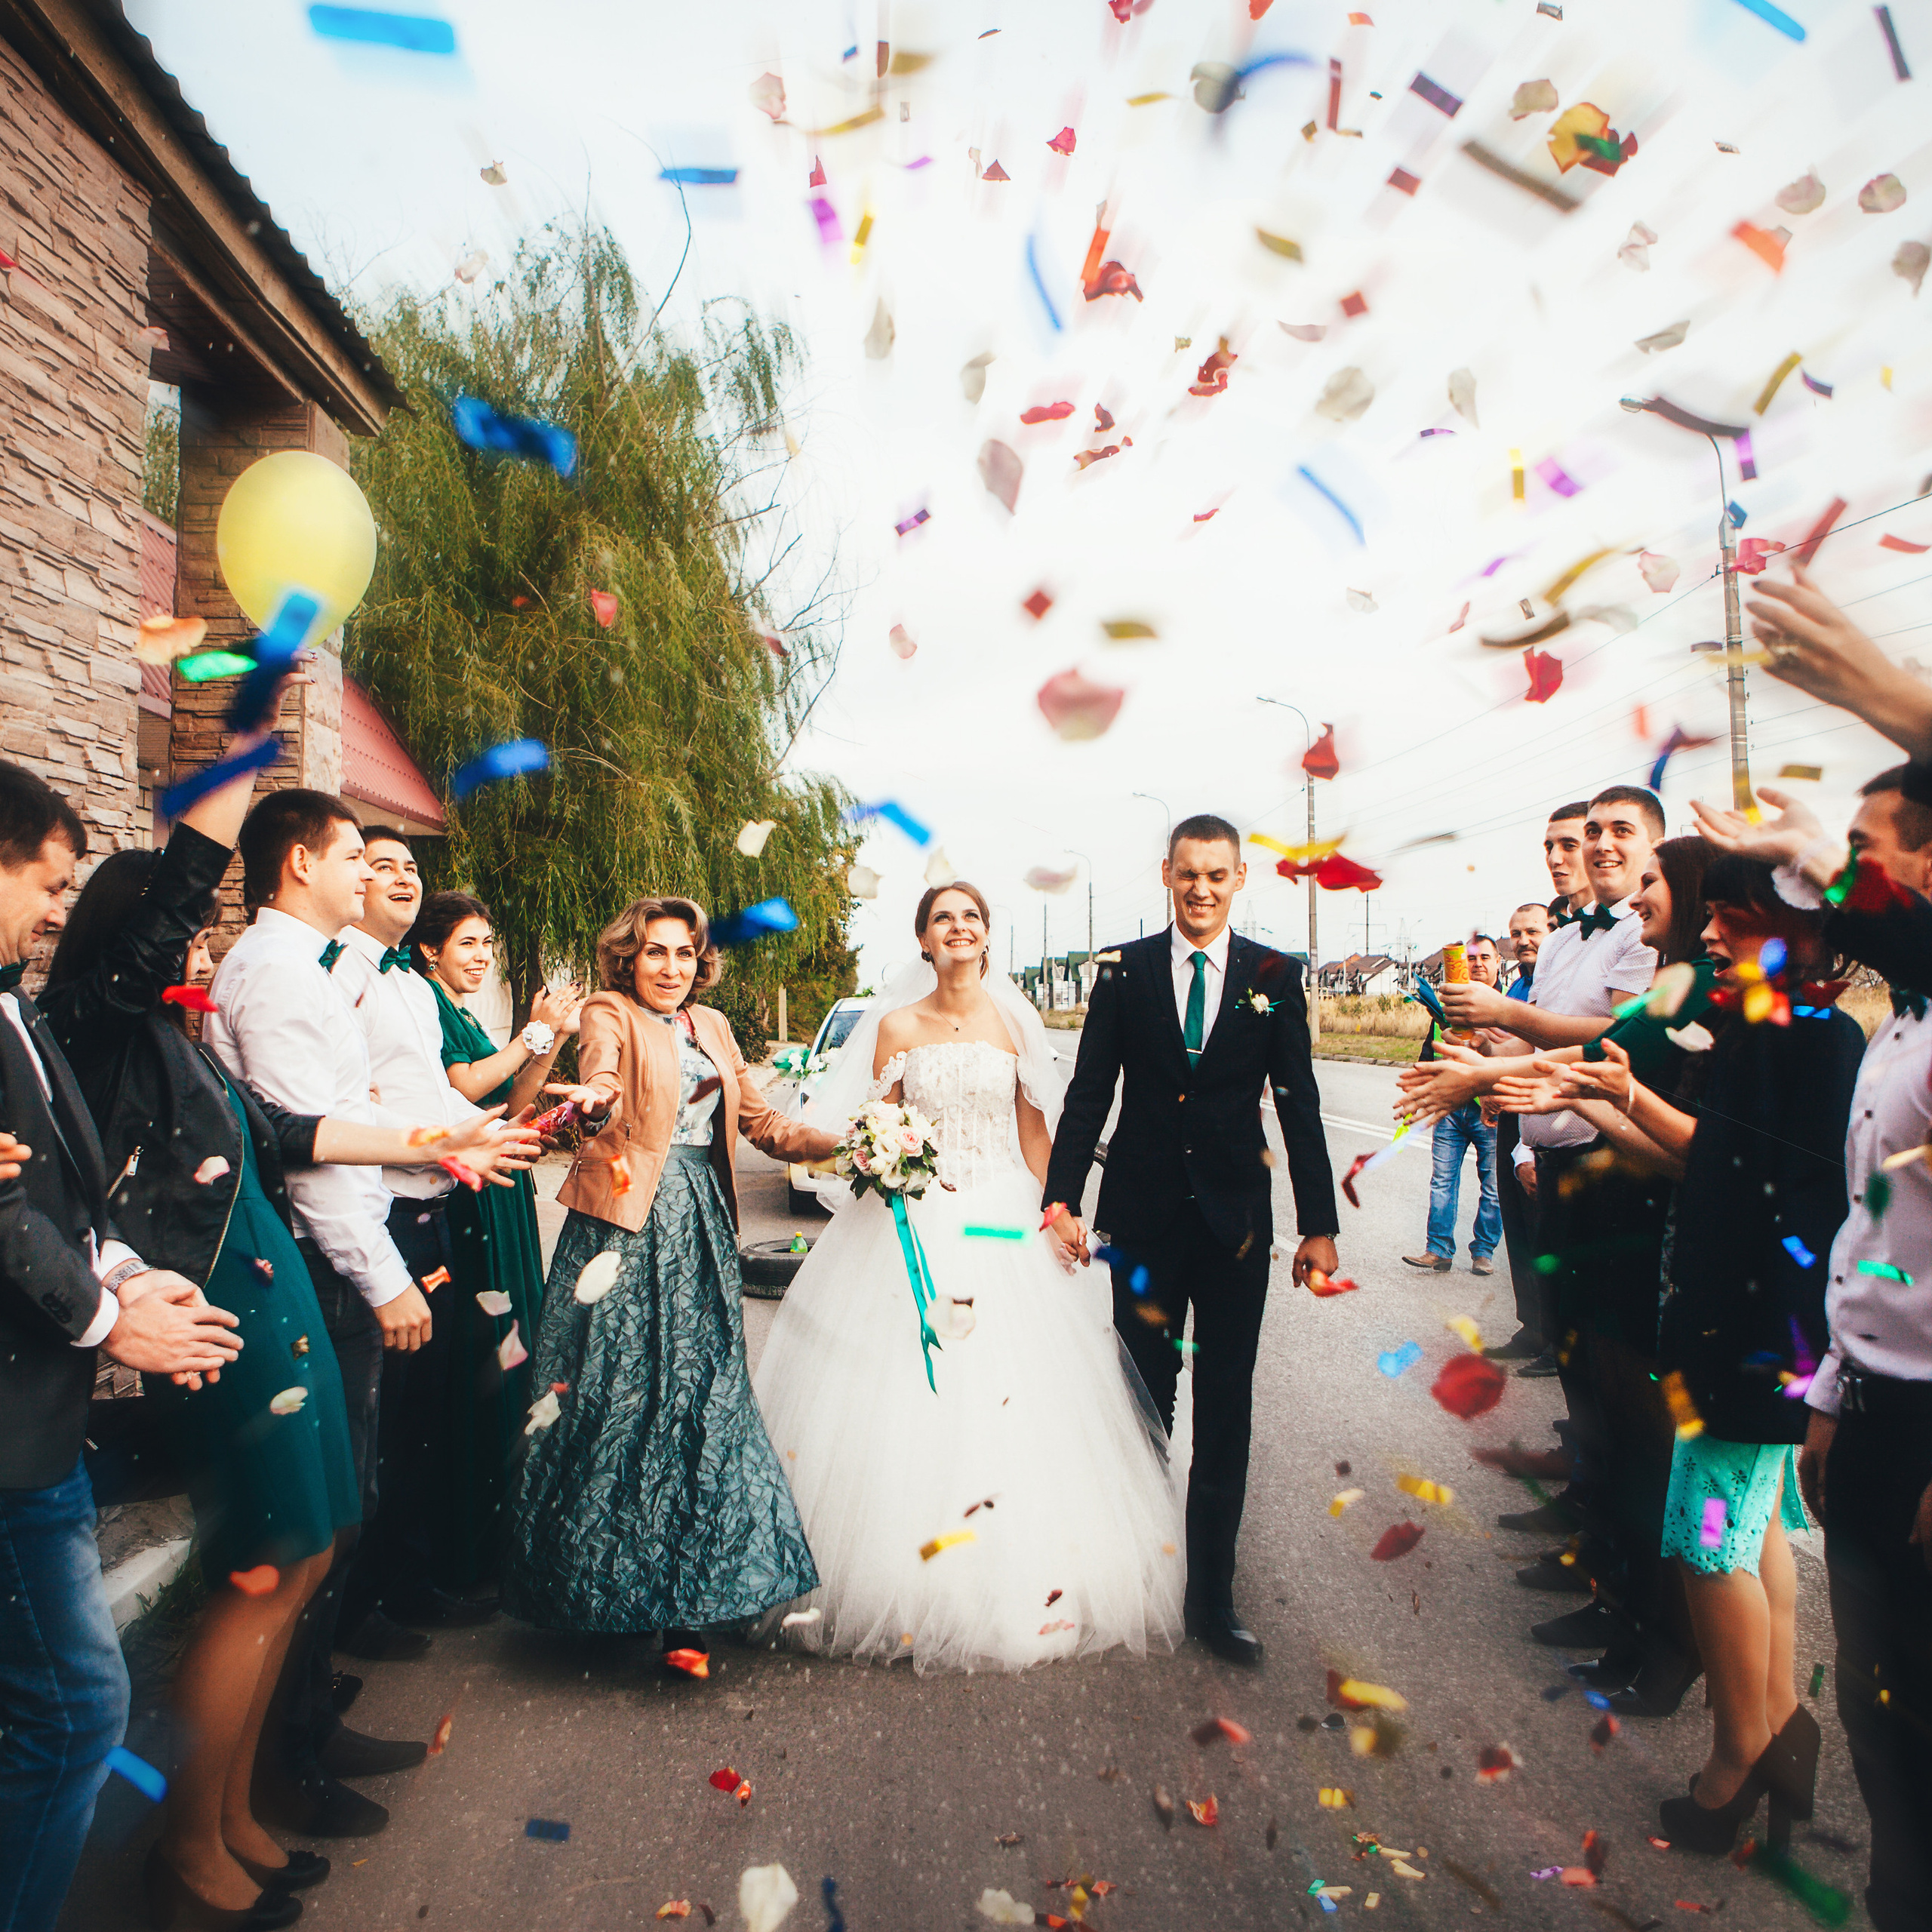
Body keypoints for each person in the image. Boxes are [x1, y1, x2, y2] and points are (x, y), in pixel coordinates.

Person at [40, 792, 534, 1927]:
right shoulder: (111, 1026)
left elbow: (295, 1132)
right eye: (175, 938)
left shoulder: (180, 1042)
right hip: (229, 1292)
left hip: (277, 1286)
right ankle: (188, 1846)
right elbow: (179, 913)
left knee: (306, 1553)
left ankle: (232, 1815)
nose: (198, 948)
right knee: (265, 1567)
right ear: (132, 950)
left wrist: (448, 1136)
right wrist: (249, 725)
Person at [1506, 851, 1862, 1853]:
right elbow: (1702, 1156)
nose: (1708, 934)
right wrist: (1619, 1096)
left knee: (1712, 1546)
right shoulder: (1784, 1033)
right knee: (1752, 1537)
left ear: (1792, 931)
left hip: (1754, 1342)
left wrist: (1618, 1094)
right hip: (1748, 1329)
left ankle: (1743, 1757)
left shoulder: (1811, 1040)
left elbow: (1732, 1167)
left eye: (1731, 920)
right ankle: (1776, 1725)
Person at [752, 883, 1186, 1674]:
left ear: (987, 937)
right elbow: (869, 1126)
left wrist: (1057, 1211)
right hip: (911, 1223)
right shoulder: (894, 1026)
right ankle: (892, 1573)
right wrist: (881, 1162)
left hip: (1002, 1218)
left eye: (972, 918)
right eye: (943, 918)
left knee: (1018, 1393)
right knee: (901, 1394)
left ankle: (1025, 1569)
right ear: (923, 939)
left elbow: (1033, 1131)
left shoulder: (1012, 1020)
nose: (959, 928)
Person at [1693, 568, 1932, 1925]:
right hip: (1881, 1407)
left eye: (1868, 846)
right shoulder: (1907, 1019)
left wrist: (1904, 703)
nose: (1841, 873)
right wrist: (1843, 1391)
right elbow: (1879, 1235)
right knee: (1897, 1754)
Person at [0, 759, 245, 1932]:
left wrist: (133, 1280)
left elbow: (65, 1195)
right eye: (44, 881)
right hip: (14, 1439)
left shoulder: (22, 1013)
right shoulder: (83, 1007)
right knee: (76, 1715)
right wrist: (111, 1324)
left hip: (42, 1427)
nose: (55, 907)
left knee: (61, 1712)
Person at [1042, 814, 1340, 1667]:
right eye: (1187, 875)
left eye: (1217, 875)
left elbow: (1298, 1100)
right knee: (1140, 1401)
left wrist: (1319, 1224)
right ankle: (1131, 1573)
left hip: (1236, 1227)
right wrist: (1061, 1196)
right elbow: (1090, 1092)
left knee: (1226, 1408)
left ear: (1240, 878)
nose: (1201, 889)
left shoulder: (1273, 974)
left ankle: (1213, 1597)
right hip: (1140, 1220)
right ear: (1165, 874)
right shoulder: (1125, 972)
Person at [501, 897, 835, 1657]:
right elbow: (604, 1076)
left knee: (700, 1395)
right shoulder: (606, 1012)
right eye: (656, 952)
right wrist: (594, 1101)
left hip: (701, 1220)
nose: (672, 968)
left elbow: (762, 1123)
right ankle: (598, 1589)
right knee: (616, 1394)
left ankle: (693, 1592)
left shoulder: (710, 1026)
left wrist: (846, 1141)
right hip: (620, 1223)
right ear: (629, 956)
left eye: (684, 954)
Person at [206, 792, 431, 1838]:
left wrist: (448, 1139)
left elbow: (364, 1113)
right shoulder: (278, 976)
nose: (369, 871)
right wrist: (381, 1277)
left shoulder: (316, 968)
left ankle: (305, 1725)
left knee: (341, 1511)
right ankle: (284, 1764)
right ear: (301, 862)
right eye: (354, 856)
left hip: (338, 1261)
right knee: (320, 1520)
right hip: (316, 1270)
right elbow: (309, 1158)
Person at [408, 889, 578, 1594]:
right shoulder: (424, 1004)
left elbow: (509, 1102)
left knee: (515, 1346)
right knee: (486, 1350)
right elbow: (465, 1082)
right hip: (469, 1199)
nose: (481, 958)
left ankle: (508, 1528)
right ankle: (468, 1547)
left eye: (487, 946)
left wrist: (554, 1047)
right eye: (469, 944)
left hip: (502, 1189)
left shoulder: (462, 1009)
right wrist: (533, 1035)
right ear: (430, 950)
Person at [1402, 934, 1503, 1276]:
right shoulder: (1449, 1007)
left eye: (1485, 958)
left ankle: (1484, 1251)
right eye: (1471, 959)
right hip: (1451, 1111)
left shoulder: (1510, 1007)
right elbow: (1430, 1052)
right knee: (1442, 1180)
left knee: (1493, 1185)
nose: (1477, 965)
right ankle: (1438, 1249)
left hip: (1490, 1112)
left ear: (1498, 963)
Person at [1490, 903, 1552, 1361]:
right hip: (1514, 1108)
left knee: (1544, 1230)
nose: (1524, 940)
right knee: (1518, 1224)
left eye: (1533, 931)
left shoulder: (1552, 984)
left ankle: (1556, 1336)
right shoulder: (1518, 985)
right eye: (1516, 933)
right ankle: (1531, 1325)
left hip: (1547, 1111)